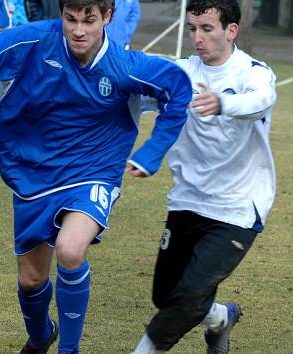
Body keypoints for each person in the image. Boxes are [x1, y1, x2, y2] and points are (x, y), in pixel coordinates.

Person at [0, 0, 192, 352]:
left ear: (108, 17)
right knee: (31, 279)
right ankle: (39, 338)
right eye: (71, 19)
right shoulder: (37, 40)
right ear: (62, 15)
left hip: (93, 171)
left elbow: (178, 88)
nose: (79, 30)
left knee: (69, 250)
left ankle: (70, 349)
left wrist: (151, 152)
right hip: (33, 171)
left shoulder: (124, 65)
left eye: (89, 20)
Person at [130, 0, 277, 353]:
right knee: (166, 295)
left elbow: (260, 99)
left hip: (237, 208)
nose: (198, 37)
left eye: (207, 28)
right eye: (193, 28)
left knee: (189, 294)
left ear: (231, 30)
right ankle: (220, 318)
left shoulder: (253, 73)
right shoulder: (180, 73)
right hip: (188, 200)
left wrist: (222, 103)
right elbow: (138, 94)